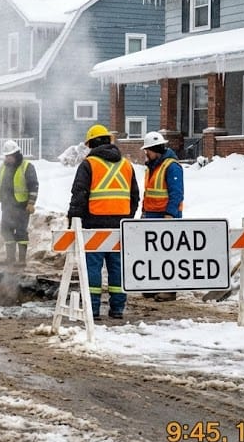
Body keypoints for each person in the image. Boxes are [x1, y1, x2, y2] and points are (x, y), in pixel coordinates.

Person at [68, 124, 139, 320]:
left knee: (93, 268)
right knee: (117, 268)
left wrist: (73, 220)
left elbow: (79, 195)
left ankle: (92, 309)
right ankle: (117, 309)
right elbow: (134, 196)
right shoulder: (126, 165)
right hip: (120, 225)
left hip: (94, 224)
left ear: (91, 144)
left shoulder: (88, 164)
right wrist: (127, 217)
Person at [141, 131, 184, 302]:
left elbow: (176, 193)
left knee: (168, 255)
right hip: (151, 215)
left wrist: (170, 215)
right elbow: (149, 192)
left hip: (165, 216)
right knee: (152, 254)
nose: (146, 154)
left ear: (155, 150)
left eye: (148, 151)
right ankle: (153, 286)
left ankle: (169, 290)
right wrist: (143, 212)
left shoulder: (171, 167)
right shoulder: (152, 167)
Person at [0, 140, 39, 267]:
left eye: (10, 156)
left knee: (21, 232)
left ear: (17, 154)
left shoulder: (27, 166)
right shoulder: (3, 168)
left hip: (22, 206)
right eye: (6, 156)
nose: (8, 158)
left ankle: (22, 260)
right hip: (7, 206)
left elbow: (34, 186)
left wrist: (31, 203)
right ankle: (10, 258)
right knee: (6, 231)